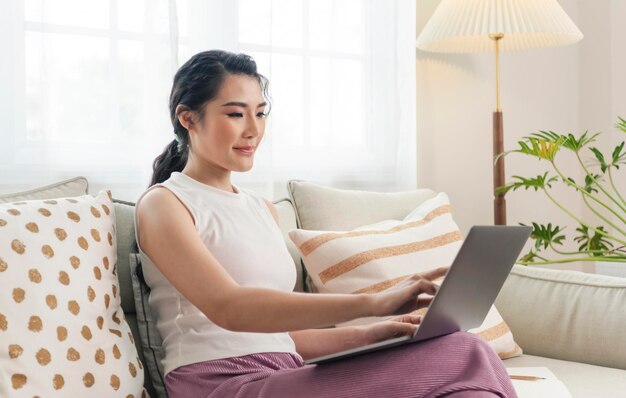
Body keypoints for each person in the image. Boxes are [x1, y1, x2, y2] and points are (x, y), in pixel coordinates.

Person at [134, 50, 517, 398]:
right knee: (467, 352)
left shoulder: (262, 209)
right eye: (235, 114)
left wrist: (380, 332)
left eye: (260, 112)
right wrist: (371, 303)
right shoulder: (165, 204)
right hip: (221, 385)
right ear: (188, 118)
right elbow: (229, 308)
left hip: (286, 376)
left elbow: (283, 337)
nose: (253, 129)